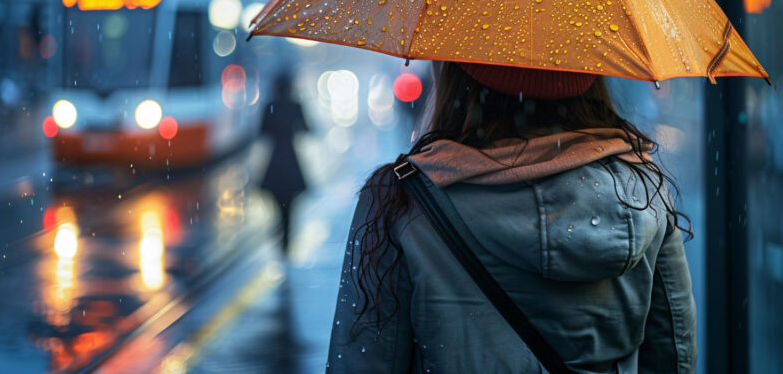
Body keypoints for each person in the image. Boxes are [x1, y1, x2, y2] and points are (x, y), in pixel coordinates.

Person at [327, 62, 696, 373]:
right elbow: (675, 357)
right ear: (591, 75)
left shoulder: (399, 200)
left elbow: (365, 359)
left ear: (456, 78)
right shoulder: (645, 192)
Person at [260, 71, 309, 254]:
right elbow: (306, 128)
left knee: (277, 200)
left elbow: (262, 131)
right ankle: (286, 238)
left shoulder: (270, 106)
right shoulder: (295, 106)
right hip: (291, 160)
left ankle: (280, 228)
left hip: (274, 160)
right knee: (290, 203)